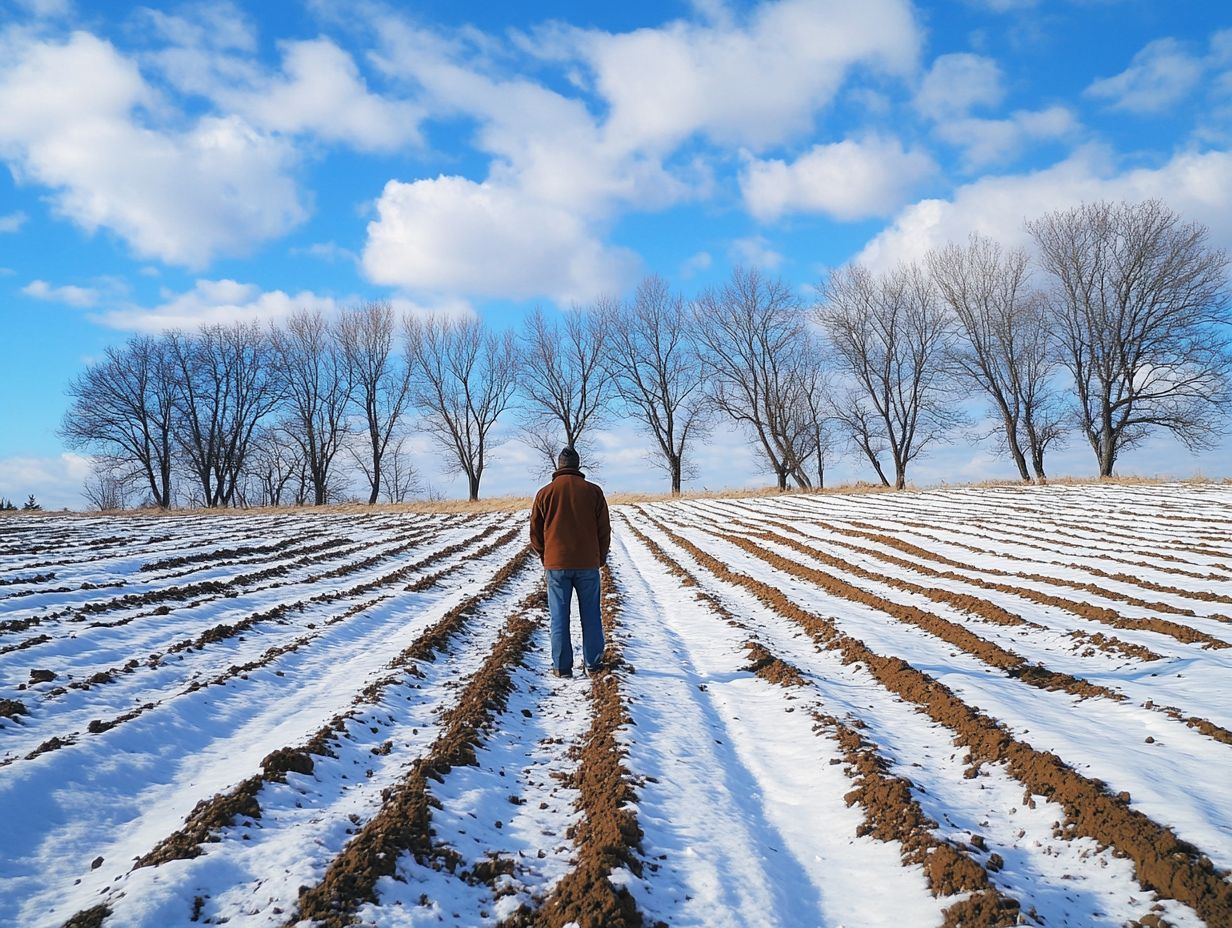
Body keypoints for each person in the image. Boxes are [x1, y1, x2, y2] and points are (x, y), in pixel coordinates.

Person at [529, 446, 611, 678]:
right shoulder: (594, 492)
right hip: (588, 565)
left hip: (556, 566)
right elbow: (604, 530)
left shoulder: (544, 493)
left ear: (559, 466)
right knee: (591, 615)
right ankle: (593, 664)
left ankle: (562, 667)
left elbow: (535, 532)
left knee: (559, 616)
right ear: (578, 466)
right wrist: (600, 557)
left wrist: (545, 556)